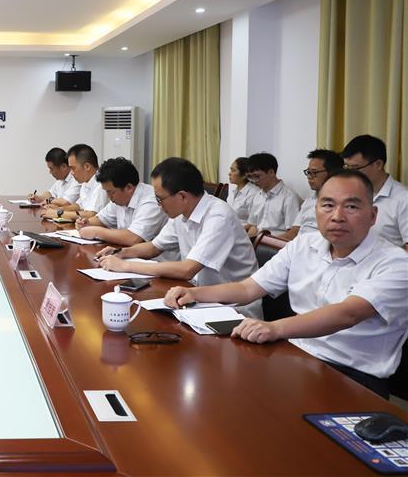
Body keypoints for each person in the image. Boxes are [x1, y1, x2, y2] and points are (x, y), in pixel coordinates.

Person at [164, 170, 408, 399]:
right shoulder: (304, 245)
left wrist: (274, 328)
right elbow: (248, 289)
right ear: (316, 209)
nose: (337, 216)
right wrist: (194, 293)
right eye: (328, 205)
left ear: (373, 215)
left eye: (352, 206)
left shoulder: (395, 262)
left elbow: (348, 314)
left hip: (353, 377)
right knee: (216, 389)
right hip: (296, 356)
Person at [97, 157, 262, 318]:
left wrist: (126, 266)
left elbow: (187, 270)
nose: (158, 205)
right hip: (196, 297)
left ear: (182, 196)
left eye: (160, 199)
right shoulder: (182, 214)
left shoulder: (219, 216)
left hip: (233, 311)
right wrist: (121, 253)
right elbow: (154, 247)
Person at [76, 157, 167, 247]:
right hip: (127, 252)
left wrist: (97, 232)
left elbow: (134, 238)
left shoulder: (151, 201)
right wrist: (86, 223)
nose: (109, 197)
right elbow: (100, 220)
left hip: (155, 256)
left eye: (111, 192)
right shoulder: (119, 198)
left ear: (129, 188)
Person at [341, 134, 408, 251]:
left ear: (378, 164)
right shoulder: (349, 192)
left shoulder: (403, 199)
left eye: (356, 168)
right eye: (347, 167)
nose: (351, 174)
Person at [278, 149, 343, 241]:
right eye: (308, 172)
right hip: (299, 245)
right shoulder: (309, 201)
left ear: (332, 173)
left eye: (314, 172)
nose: (309, 177)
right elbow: (294, 232)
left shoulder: (340, 203)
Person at [41, 144, 105, 221]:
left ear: (87, 167)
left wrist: (58, 213)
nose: (71, 173)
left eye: (73, 168)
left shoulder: (102, 184)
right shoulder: (86, 181)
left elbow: (91, 215)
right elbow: (79, 206)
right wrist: (59, 209)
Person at [243, 152, 302, 237]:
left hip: (276, 242)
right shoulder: (258, 195)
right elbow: (253, 224)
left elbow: (293, 234)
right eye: (250, 177)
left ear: (271, 172)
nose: (253, 181)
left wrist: (265, 241)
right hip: (257, 240)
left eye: (256, 176)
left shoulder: (289, 197)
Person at [226, 157, 259, 224]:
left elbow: (254, 222)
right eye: (230, 170)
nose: (229, 173)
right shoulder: (234, 191)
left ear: (244, 175)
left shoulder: (253, 193)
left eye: (233, 170)